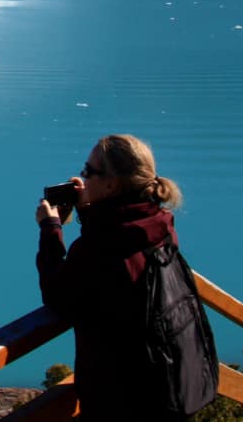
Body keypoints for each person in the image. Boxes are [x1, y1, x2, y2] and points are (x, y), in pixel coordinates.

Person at [35, 133, 186, 421]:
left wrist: (51, 229)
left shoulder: (99, 248)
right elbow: (123, 245)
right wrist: (89, 211)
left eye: (89, 172)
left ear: (112, 184)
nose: (81, 177)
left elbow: (58, 295)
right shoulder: (160, 224)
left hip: (117, 397)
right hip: (163, 384)